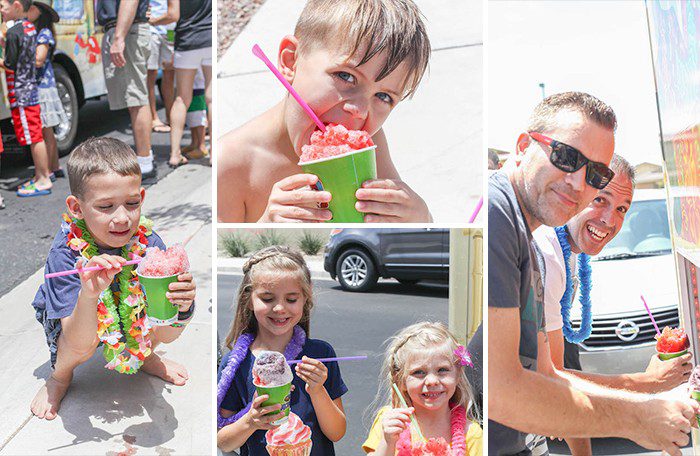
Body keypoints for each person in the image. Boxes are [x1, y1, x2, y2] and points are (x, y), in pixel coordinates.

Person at [486, 91, 698, 456]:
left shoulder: (530, 241)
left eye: (595, 175)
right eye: (566, 157)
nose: (578, 183)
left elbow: (547, 376)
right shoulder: (498, 214)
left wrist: (645, 400)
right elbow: (502, 390)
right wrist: (638, 413)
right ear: (522, 146)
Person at [531, 156, 692, 454]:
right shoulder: (547, 253)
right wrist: (647, 384)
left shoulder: (570, 251)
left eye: (621, 209)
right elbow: (552, 380)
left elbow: (562, 380)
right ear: (577, 194)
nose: (609, 219)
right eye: (600, 200)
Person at [217, 0, 432, 223]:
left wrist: (421, 218)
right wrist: (266, 225)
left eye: (383, 96)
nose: (358, 111)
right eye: (346, 76)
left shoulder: (369, 142)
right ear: (291, 61)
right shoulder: (230, 163)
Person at [29, 137, 197, 420]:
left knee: (158, 315)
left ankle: (145, 356)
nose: (122, 218)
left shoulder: (149, 243)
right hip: (75, 323)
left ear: (141, 198)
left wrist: (182, 307)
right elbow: (76, 338)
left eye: (131, 203)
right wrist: (89, 294)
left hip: (129, 310)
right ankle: (59, 376)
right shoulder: (66, 254)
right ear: (76, 208)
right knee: (81, 347)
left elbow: (167, 329)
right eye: (106, 207)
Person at [216, 246, 347, 455]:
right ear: (249, 299)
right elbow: (223, 442)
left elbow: (337, 432)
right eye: (267, 299)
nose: (279, 308)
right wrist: (250, 422)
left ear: (306, 298)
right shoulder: (236, 364)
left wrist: (317, 390)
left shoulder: (320, 353)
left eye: (291, 299)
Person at [363, 322, 482, 456]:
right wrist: (388, 442)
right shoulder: (390, 421)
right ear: (400, 380)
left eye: (442, 370)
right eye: (419, 372)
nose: (432, 381)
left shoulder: (471, 435)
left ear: (458, 375)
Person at [97, 0, 156, 179]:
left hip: (127, 30)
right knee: (135, 98)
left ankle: (145, 162)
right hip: (127, 29)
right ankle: (145, 160)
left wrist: (119, 37)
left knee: (136, 98)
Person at [0, 0, 52, 197]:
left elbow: (11, 64)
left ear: (16, 6)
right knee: (36, 134)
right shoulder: (29, 28)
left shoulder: (14, 32)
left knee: (33, 136)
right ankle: (42, 176)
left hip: (21, 92)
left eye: (3, 7)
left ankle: (43, 179)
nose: (1, 12)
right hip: (31, 88)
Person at [27, 0, 68, 183]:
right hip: (43, 85)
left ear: (38, 11)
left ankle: (51, 169)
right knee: (47, 130)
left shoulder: (43, 33)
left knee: (46, 130)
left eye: (31, 7)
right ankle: (55, 166)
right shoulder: (39, 31)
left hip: (43, 86)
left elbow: (39, 59)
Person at [168, 0, 211, 168]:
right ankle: (213, 154)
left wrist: (153, 20)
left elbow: (173, 14)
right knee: (211, 97)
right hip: (209, 37)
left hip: (187, 39)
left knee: (181, 99)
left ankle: (174, 154)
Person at [146, 0, 175, 134]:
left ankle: (170, 116)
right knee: (150, 74)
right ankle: (153, 117)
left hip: (170, 29)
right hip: (151, 29)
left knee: (169, 73)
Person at [181, 67, 208, 160]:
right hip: (190, 84)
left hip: (198, 85)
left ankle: (201, 146)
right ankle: (194, 143)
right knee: (191, 115)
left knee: (198, 115)